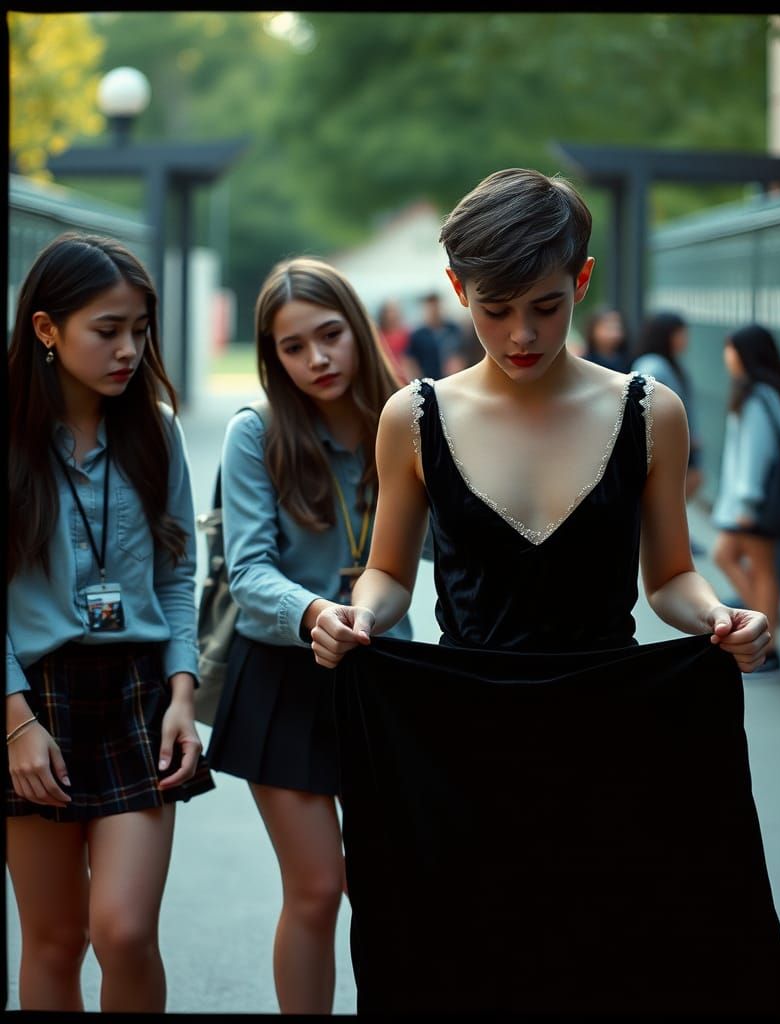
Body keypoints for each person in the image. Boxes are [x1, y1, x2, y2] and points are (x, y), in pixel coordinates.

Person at [309, 168, 780, 1012]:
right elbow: (388, 571)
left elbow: (670, 575)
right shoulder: (413, 417)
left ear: (582, 279)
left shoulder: (650, 411)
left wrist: (720, 615)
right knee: (476, 965)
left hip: (613, 735)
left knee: (614, 962)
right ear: (457, 290)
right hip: (463, 745)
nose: (521, 333)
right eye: (494, 308)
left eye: (545, 304)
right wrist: (356, 614)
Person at [6, 232, 214, 1012]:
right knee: (54, 941)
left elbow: (177, 574)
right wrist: (15, 723)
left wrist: (184, 692)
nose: (129, 349)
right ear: (46, 328)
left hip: (138, 694)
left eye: (140, 330)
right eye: (108, 330)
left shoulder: (155, 430)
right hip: (33, 699)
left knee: (124, 932)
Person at [205, 257, 413, 1013]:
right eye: (293, 347)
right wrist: (318, 612)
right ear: (273, 356)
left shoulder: (406, 421)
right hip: (284, 675)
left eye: (330, 336)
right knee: (318, 888)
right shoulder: (256, 432)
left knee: (395, 886)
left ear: (357, 329)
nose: (317, 358)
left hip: (384, 670)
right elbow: (248, 572)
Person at [710, 323, 780, 679]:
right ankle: (763, 631)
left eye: (731, 349)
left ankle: (769, 647)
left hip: (754, 504)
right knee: (729, 556)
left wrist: (747, 503)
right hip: (755, 503)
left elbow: (756, 453)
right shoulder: (768, 392)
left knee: (761, 571)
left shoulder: (758, 398)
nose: (726, 356)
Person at [631, 311, 706, 552]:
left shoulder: (669, 363)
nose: (685, 339)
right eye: (680, 334)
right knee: (674, 490)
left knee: (686, 485)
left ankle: (670, 536)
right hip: (666, 444)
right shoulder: (652, 365)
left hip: (678, 441)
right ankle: (666, 538)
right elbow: (643, 405)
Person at [406, 290, 463, 380]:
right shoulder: (418, 335)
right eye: (431, 308)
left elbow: (461, 353)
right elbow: (410, 361)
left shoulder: (453, 329)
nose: (434, 311)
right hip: (430, 381)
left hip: (452, 379)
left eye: (436, 307)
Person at [580, 306, 630, 372]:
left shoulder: (628, 361)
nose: (613, 332)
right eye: (608, 327)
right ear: (593, 329)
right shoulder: (585, 362)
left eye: (617, 327)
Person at [375, 298, 413, 383]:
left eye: (395, 311)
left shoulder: (407, 334)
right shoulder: (379, 337)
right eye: (390, 311)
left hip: (407, 378)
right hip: (389, 378)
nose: (393, 314)